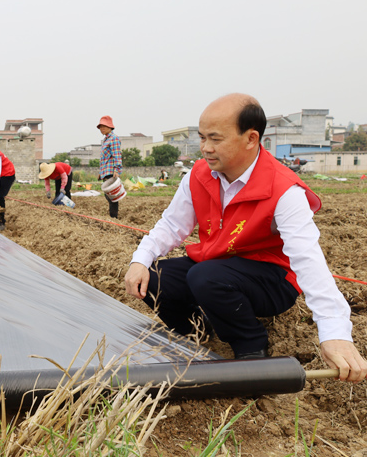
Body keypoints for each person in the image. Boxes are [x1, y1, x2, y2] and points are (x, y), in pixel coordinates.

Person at [124, 93, 367, 383]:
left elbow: (308, 259)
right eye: (202, 138)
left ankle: (251, 349)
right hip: (218, 267)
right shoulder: (199, 175)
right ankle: (197, 332)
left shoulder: (284, 190)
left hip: (270, 279)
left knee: (207, 276)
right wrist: (140, 260)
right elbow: (172, 224)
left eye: (215, 139)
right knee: (156, 277)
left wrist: (335, 332)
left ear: (251, 138)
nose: (205, 148)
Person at [97, 115, 122, 218]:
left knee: (112, 195)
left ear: (110, 127)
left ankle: (114, 217)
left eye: (104, 126)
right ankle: (113, 216)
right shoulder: (106, 140)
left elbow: (117, 155)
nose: (101, 129)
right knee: (108, 195)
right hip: (106, 171)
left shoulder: (113, 139)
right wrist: (100, 173)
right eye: (100, 127)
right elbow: (104, 159)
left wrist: (117, 169)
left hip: (111, 171)